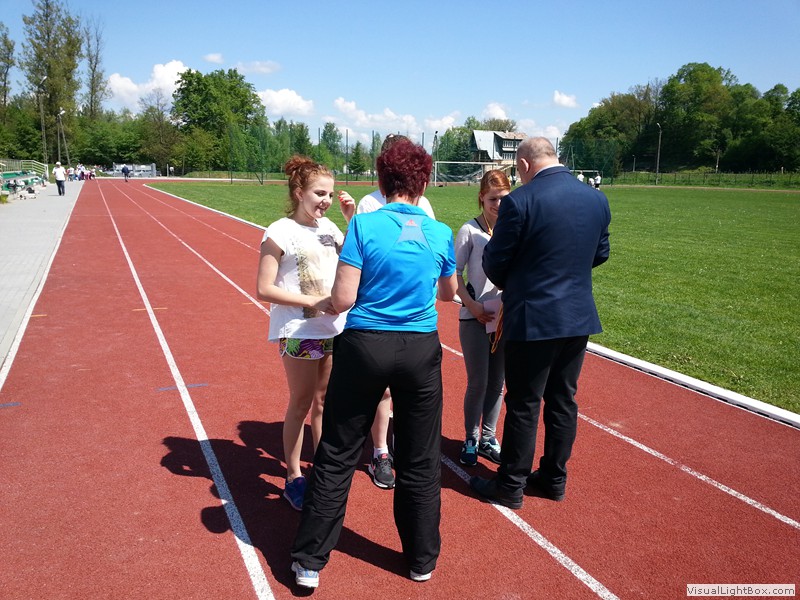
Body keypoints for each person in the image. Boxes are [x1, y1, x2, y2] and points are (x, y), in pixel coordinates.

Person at [290, 139, 457, 589]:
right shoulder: (440, 231)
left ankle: (309, 561)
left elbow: (344, 297)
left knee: (338, 451)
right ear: (423, 184)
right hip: (420, 348)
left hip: (365, 345)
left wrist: (324, 302)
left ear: (382, 182)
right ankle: (421, 558)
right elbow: (448, 293)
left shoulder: (364, 225)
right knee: (421, 457)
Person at [469, 137, 610, 510]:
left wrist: (525, 277)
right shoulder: (596, 199)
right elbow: (601, 253)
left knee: (524, 403)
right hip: (577, 316)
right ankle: (553, 478)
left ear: (524, 165)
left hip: (533, 316)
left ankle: (510, 485)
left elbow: (495, 262)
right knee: (563, 400)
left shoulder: (521, 200)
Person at [256, 156, 355, 511]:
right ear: (299, 193)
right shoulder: (279, 231)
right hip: (300, 330)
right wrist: (312, 300)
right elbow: (263, 288)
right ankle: (294, 476)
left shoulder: (331, 228)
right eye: (319, 193)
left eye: (329, 194)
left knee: (325, 402)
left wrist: (349, 220)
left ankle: (323, 468)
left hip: (333, 328)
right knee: (301, 402)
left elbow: (355, 260)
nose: (326, 200)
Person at [354, 133, 436, 491]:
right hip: (378, 316)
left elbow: (428, 254)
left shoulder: (424, 204)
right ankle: (380, 451)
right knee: (384, 392)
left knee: (408, 392)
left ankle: (402, 445)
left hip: (416, 318)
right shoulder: (368, 205)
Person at [455, 169, 510, 467]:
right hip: (474, 318)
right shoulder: (469, 230)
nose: (498, 205)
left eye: (504, 198)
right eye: (493, 199)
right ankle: (471, 438)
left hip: (503, 318)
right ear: (481, 198)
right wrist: (472, 305)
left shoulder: (512, 229)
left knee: (497, 382)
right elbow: (453, 273)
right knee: (478, 381)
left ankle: (489, 437)